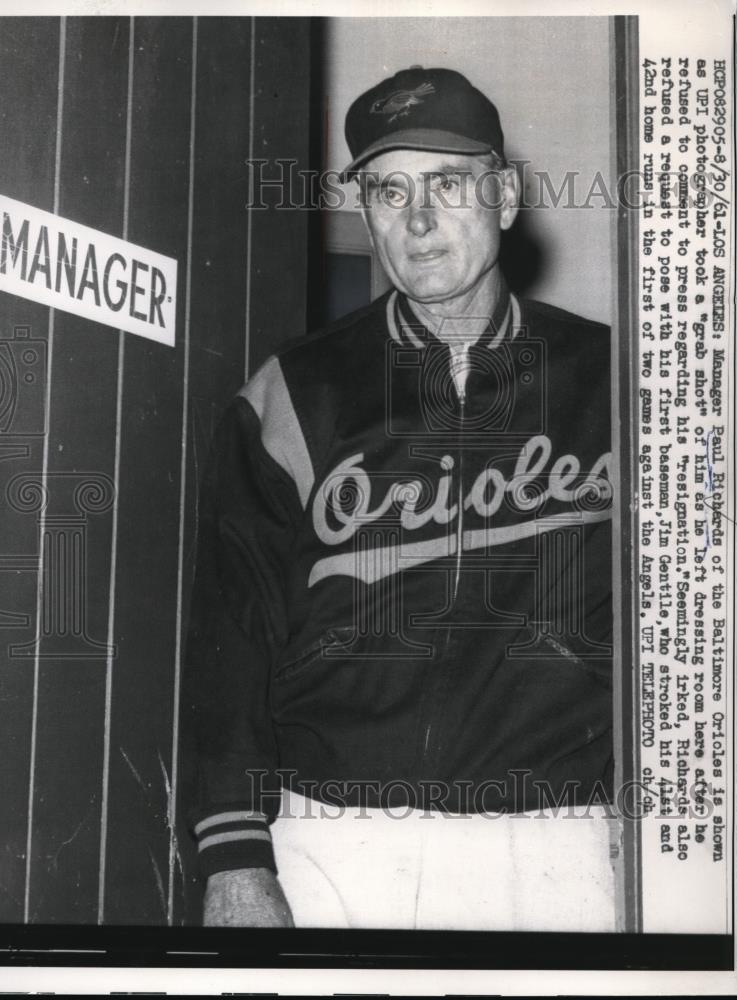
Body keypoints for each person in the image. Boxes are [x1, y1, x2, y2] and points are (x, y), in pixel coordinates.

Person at [182, 67, 616, 931]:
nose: (417, 222)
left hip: (554, 841)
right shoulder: (292, 394)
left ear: (503, 196)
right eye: (388, 191)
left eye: (447, 185)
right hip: (337, 838)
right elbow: (231, 642)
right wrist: (233, 854)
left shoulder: (621, 384)